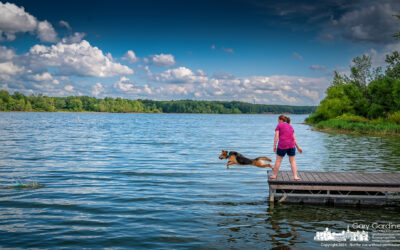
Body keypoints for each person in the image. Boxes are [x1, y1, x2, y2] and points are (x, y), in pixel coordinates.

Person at [270, 115, 302, 180]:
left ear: (281, 120)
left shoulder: (279, 125)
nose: (278, 121)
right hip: (291, 145)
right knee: (293, 161)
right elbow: (294, 138)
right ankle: (295, 176)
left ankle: (274, 175)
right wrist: (298, 147)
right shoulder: (291, 126)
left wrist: (274, 146)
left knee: (278, 161)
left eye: (278, 120)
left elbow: (276, 137)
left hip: (282, 145)